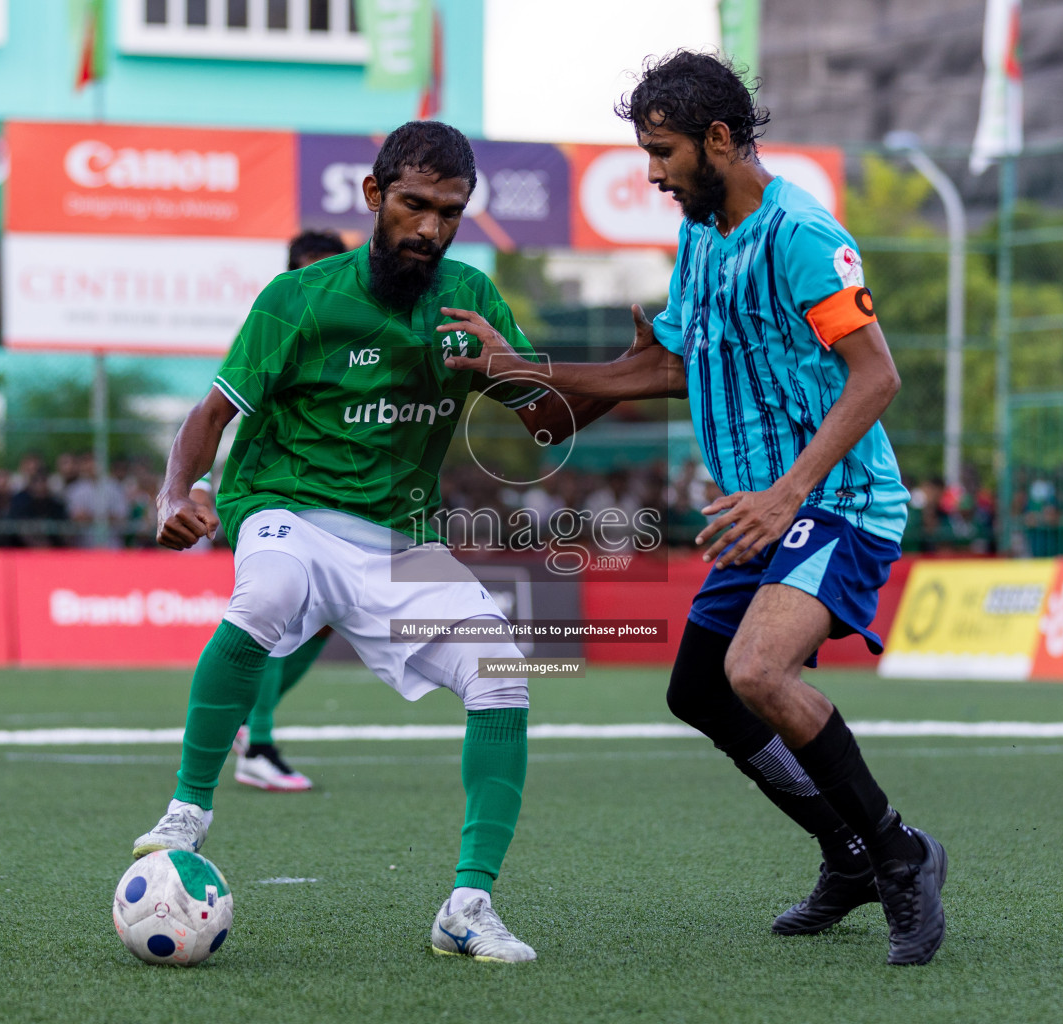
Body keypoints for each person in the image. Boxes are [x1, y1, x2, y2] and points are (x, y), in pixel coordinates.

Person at [447, 51, 946, 966]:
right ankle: (844, 852)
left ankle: (899, 855)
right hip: (758, 511)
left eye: (664, 151)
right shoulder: (703, 237)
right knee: (698, 691)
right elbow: (669, 368)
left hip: (833, 500)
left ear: (721, 138)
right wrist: (516, 369)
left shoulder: (800, 231)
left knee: (757, 673)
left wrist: (787, 491)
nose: (652, 172)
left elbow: (878, 376)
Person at [132, 121, 628, 963]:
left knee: (502, 678)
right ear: (374, 197)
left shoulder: (470, 298)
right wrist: (176, 495)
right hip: (286, 505)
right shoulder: (300, 298)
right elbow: (210, 415)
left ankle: (467, 907)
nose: (430, 227)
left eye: (449, 211)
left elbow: (549, 423)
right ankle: (189, 807)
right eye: (413, 204)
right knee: (272, 593)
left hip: (397, 536)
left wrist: (513, 367)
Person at [192, 223, 353, 794]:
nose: (318, 282)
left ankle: (243, 719)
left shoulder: (355, 336)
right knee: (278, 610)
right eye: (307, 269)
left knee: (328, 614)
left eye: (329, 270)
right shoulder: (278, 321)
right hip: (266, 492)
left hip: (327, 497)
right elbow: (219, 412)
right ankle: (257, 744)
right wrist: (199, 487)